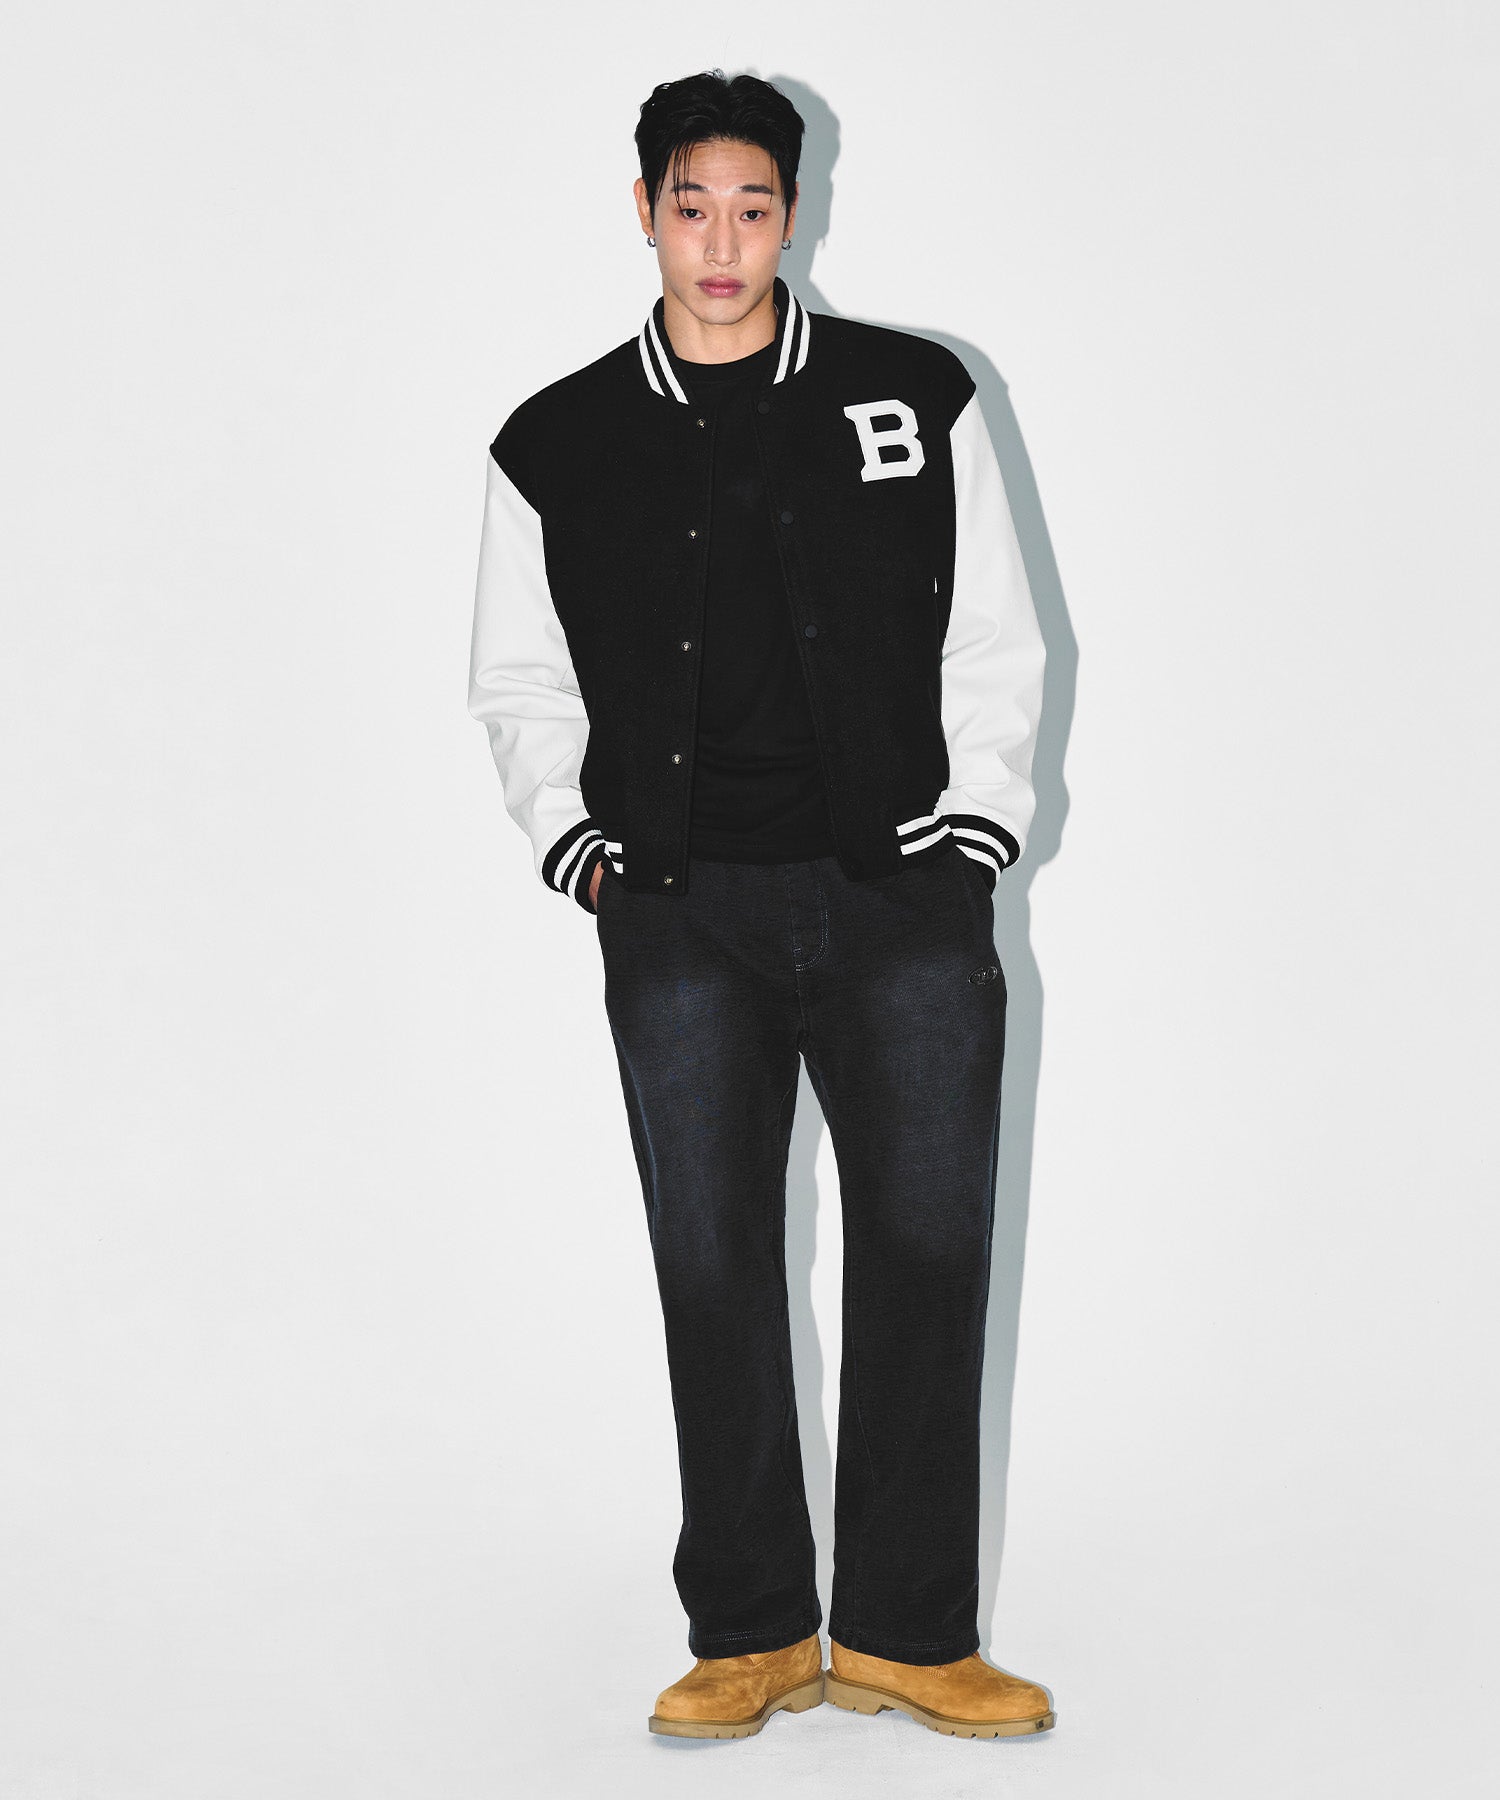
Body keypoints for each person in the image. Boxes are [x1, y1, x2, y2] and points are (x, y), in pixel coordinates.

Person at [467, 67, 1054, 1743]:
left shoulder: (910, 394)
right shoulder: (557, 438)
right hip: (683, 915)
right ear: (644, 212)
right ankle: (750, 1631)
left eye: (753, 208)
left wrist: (974, 838)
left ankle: (908, 1635)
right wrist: (582, 849)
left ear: (796, 214)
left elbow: (995, 632)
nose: (721, 243)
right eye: (691, 207)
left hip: (898, 900)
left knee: (927, 1250)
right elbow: (517, 677)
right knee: (712, 1260)